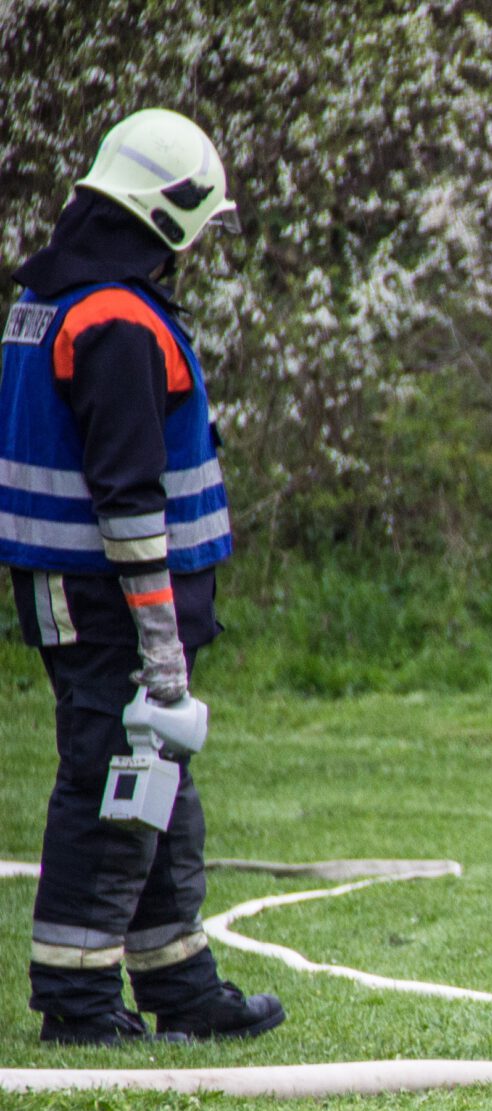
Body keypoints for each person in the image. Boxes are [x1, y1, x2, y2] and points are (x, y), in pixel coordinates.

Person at [4, 109, 284, 1046]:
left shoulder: (52, 302)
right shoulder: (116, 321)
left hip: (81, 594)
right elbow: (128, 501)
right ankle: (76, 999)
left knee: (151, 777)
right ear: (166, 218)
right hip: (110, 601)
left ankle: (180, 983)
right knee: (110, 781)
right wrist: (161, 643)